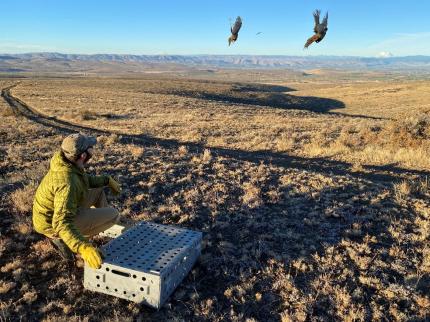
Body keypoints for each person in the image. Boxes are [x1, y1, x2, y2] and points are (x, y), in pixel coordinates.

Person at [32, 133, 122, 269]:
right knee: (114, 214)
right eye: (90, 149)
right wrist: (83, 247)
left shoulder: (66, 162)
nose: (92, 150)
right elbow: (61, 223)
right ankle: (65, 239)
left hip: (59, 211)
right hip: (52, 225)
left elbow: (84, 181)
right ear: (83, 156)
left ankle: (98, 223)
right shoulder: (67, 183)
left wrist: (106, 180)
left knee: (98, 191)